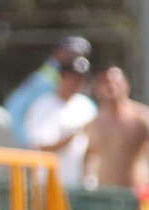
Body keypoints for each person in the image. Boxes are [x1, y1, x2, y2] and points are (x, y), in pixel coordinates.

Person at [83, 66, 149, 190]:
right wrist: (87, 181)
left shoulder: (142, 116)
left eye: (115, 82)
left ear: (126, 85)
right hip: (105, 195)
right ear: (98, 88)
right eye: (106, 83)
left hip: (135, 193)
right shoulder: (96, 121)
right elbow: (89, 154)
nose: (111, 87)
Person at [3, 36, 91, 147]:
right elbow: (14, 108)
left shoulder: (78, 81)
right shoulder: (44, 80)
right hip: (40, 150)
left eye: (80, 55)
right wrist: (27, 144)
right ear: (57, 53)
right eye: (70, 53)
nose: (74, 58)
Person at [23, 56, 97, 188]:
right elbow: (41, 147)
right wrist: (74, 134)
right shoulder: (43, 105)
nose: (77, 82)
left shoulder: (87, 107)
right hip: (48, 185)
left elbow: (94, 149)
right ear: (62, 77)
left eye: (81, 78)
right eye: (73, 77)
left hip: (79, 186)